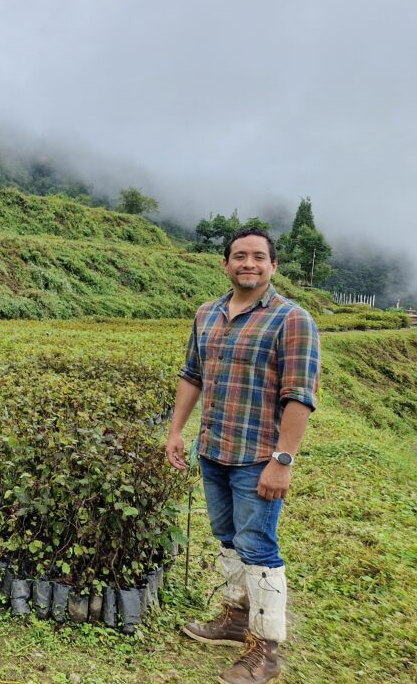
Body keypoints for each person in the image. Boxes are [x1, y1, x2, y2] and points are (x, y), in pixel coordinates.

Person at [166, 227, 320, 684]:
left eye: (257, 256)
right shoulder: (207, 314)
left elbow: (299, 396)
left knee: (258, 547)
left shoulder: (292, 319)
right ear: (225, 264)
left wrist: (283, 460)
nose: (247, 263)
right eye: (239, 256)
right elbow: (192, 374)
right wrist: (177, 431)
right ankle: (235, 619)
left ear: (273, 266)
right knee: (228, 539)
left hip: (258, 456)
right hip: (213, 449)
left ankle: (266, 651)